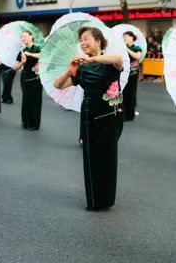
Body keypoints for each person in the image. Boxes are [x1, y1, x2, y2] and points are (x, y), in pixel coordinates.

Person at [53, 26, 124, 211]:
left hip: (110, 116)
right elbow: (58, 85)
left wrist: (91, 58)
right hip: (89, 116)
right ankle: (94, 200)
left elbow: (119, 59)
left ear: (98, 41)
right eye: (81, 41)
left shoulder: (110, 61)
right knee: (91, 159)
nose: (83, 43)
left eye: (87, 39)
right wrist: (70, 71)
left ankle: (107, 199)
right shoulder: (82, 67)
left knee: (107, 158)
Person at [13, 31, 42, 130]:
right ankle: (26, 121)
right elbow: (15, 67)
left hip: (36, 78)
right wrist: (22, 62)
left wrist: (30, 54)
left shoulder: (37, 48)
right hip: (25, 78)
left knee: (35, 101)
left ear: (31, 36)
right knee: (26, 100)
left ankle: (34, 124)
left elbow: (43, 56)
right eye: (22, 37)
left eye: (25, 36)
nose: (23, 38)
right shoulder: (22, 51)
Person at [122, 31, 142, 121]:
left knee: (131, 93)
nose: (124, 38)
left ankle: (130, 115)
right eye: (123, 37)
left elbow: (138, 57)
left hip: (133, 74)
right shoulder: (122, 48)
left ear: (131, 37)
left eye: (126, 37)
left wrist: (127, 50)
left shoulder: (137, 47)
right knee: (124, 93)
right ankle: (124, 114)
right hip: (124, 73)